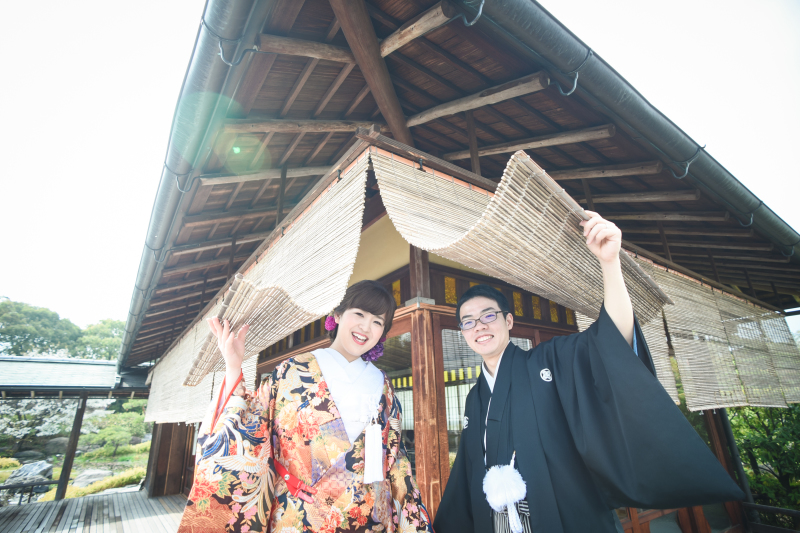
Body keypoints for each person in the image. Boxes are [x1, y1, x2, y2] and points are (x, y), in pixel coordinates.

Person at [433, 211, 743, 533]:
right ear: (462, 332)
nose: (479, 327)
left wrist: (610, 263)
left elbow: (610, 342)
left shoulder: (548, 362)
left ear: (509, 321)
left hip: (566, 517)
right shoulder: (474, 398)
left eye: (488, 316)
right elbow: (468, 475)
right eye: (468, 322)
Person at [178, 280, 432, 533]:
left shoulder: (383, 384)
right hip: (301, 515)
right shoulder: (294, 369)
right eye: (359, 314)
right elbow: (251, 426)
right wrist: (234, 367)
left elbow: (395, 458)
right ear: (338, 315)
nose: (366, 327)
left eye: (377, 321)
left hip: (370, 519)